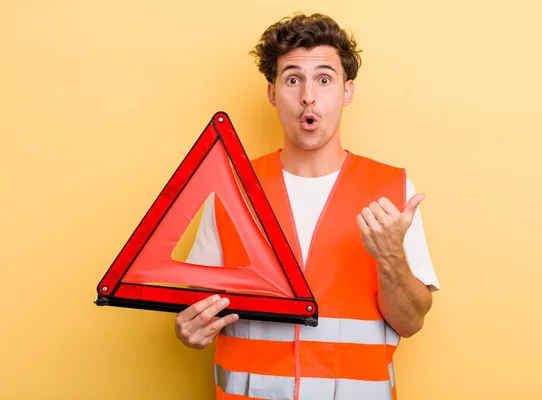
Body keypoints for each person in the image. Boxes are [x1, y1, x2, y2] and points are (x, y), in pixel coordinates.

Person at [175, 12, 440, 400]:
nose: (308, 97)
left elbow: (411, 322)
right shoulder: (231, 191)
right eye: (293, 79)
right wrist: (187, 330)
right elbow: (193, 312)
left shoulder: (392, 191)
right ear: (272, 92)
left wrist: (390, 259)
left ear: (347, 92)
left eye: (324, 79)